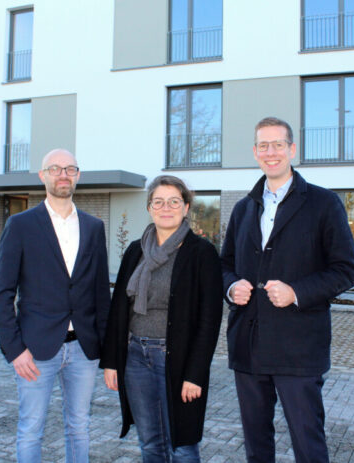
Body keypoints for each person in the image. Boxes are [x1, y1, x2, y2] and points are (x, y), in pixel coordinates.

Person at [221, 117, 354, 463]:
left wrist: (296, 291)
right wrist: (231, 286)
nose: (271, 152)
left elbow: (346, 270)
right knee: (256, 446)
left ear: (292, 149)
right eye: (263, 146)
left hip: (298, 350)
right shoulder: (243, 208)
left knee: (308, 445)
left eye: (278, 145)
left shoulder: (324, 204)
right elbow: (224, 266)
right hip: (248, 348)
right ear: (254, 152)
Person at [0, 149, 110, 463]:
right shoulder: (20, 225)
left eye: (69, 169)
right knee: (31, 428)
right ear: (42, 175)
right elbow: (1, 292)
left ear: (78, 176)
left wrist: (108, 351)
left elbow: (101, 294)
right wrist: (14, 349)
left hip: (84, 349)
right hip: (35, 350)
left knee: (79, 427)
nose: (63, 175)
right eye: (55, 169)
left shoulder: (94, 227)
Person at [101, 175, 223, 463]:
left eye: (173, 201)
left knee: (182, 444)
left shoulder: (201, 253)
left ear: (186, 207)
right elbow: (119, 307)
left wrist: (195, 374)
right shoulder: (135, 250)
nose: (165, 207)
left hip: (178, 359)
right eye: (158, 201)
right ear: (149, 208)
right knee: (150, 442)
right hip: (135, 357)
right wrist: (111, 361)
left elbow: (210, 320)